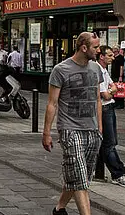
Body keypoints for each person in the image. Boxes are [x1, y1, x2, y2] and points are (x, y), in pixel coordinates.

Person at [43, 32, 103, 215]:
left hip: (92, 130)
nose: (99, 50)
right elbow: (52, 103)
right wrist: (46, 132)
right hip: (70, 129)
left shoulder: (96, 69)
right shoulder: (61, 70)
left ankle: (59, 208)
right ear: (83, 48)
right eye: (95, 47)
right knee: (80, 178)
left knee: (80, 176)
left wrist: (100, 128)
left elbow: (98, 99)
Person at [97, 46, 125, 188]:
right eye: (109, 55)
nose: (112, 57)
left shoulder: (104, 71)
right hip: (103, 108)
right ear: (101, 56)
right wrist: (112, 90)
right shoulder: (98, 71)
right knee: (108, 143)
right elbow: (106, 94)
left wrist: (112, 89)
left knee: (110, 141)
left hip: (109, 107)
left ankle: (120, 170)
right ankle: (117, 174)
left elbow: (114, 87)